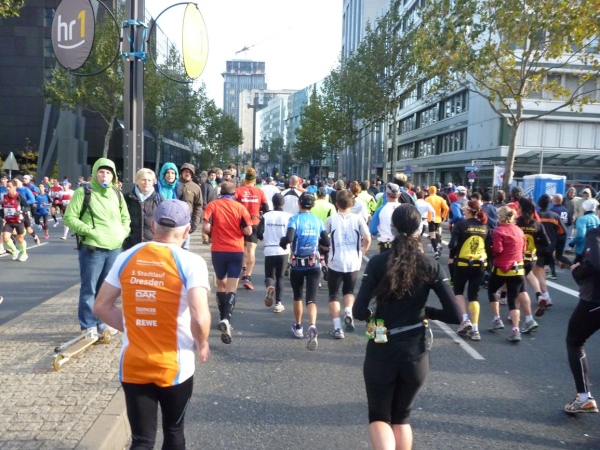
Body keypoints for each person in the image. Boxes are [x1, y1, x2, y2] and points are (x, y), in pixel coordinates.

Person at [92, 199, 211, 449]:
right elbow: (200, 316)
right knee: (174, 431)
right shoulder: (192, 263)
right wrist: (202, 344)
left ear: (153, 225)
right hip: (174, 364)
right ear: (186, 231)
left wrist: (134, 326)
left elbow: (101, 306)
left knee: (142, 440)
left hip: (134, 363)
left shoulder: (127, 256)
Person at [353, 204, 462, 450]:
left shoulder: (378, 263)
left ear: (392, 229)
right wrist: (426, 312)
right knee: (402, 418)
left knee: (380, 416)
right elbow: (456, 315)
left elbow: (359, 311)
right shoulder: (430, 265)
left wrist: (373, 315)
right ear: (420, 229)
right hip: (416, 351)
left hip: (382, 346)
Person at [63, 158, 131, 335]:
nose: (105, 176)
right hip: (93, 247)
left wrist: (122, 232)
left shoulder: (116, 193)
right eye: (101, 172)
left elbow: (126, 217)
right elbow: (69, 218)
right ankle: (88, 325)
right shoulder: (83, 192)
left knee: (106, 289)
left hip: (114, 247)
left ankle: (102, 322)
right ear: (95, 173)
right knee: (89, 288)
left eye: (108, 172)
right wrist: (90, 231)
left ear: (113, 176)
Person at [202, 181, 252, 344]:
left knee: (221, 284)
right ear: (234, 194)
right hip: (235, 250)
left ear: (220, 192)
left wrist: (215, 231)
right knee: (232, 286)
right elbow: (248, 230)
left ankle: (221, 315)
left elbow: (206, 228)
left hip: (218, 250)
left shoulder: (212, 205)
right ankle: (226, 318)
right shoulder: (240, 208)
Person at [279, 192, 330, 350]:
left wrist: (283, 242)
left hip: (297, 264)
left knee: (298, 296)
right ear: (313, 205)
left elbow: (289, 238)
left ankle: (299, 326)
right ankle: (312, 325)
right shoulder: (318, 221)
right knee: (311, 299)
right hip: (313, 263)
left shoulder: (294, 220)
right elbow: (326, 242)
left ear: (299, 203)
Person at [324, 190, 370, 339]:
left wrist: (326, 247)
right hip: (353, 261)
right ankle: (348, 311)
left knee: (333, 294)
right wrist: (363, 250)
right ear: (352, 203)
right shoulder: (358, 219)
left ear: (336, 204)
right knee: (349, 290)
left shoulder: (331, 219)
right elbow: (367, 238)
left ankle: (337, 328)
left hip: (336, 261)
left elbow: (322, 237)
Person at [487, 206, 538, 341]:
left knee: (492, 290)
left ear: (501, 217)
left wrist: (490, 249)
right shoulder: (519, 230)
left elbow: (498, 250)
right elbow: (524, 248)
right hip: (518, 268)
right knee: (513, 299)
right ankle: (516, 330)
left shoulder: (499, 230)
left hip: (502, 267)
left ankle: (497, 319)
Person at [564, 227, 600, 414]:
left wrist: (577, 270)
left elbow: (594, 263)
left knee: (574, 342)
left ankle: (584, 398)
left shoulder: (596, 233)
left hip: (595, 300)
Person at [448, 199, 492, 341]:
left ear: (467, 210)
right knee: (473, 296)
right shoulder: (484, 226)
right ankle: (475, 328)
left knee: (458, 291)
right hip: (480, 264)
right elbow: (489, 248)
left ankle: (465, 319)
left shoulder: (460, 225)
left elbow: (452, 244)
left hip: (463, 263)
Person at [235, 168, 269, 290]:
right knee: (251, 250)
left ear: (245, 180)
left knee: (242, 248)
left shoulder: (238, 191)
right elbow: (266, 209)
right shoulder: (260, 192)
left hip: (240, 223)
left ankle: (243, 269)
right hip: (254, 222)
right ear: (254, 181)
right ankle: (248, 277)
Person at [257, 193, 291, 313]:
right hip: (283, 250)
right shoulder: (288, 216)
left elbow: (259, 233)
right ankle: (278, 303)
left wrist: (264, 238)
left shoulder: (266, 216)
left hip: (269, 249)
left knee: (269, 276)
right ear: (283, 203)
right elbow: (291, 234)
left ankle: (270, 286)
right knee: (280, 276)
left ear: (273, 203)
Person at [123, 168, 163, 250]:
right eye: (143, 180)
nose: (146, 183)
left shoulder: (159, 198)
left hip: (152, 245)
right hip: (131, 245)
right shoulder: (127, 198)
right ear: (137, 181)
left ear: (153, 182)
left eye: (149, 180)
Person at [536, 194, 566, 281]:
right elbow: (562, 231)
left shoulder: (536, 215)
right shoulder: (555, 216)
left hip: (538, 246)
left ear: (539, 205)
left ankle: (541, 287)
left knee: (538, 269)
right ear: (549, 204)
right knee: (545, 264)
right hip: (551, 246)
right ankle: (550, 275)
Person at [177, 163, 203, 251]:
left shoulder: (196, 187)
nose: (187, 174)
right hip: (174, 220)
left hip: (186, 221)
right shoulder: (175, 184)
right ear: (181, 173)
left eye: (190, 172)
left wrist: (195, 223)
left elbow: (198, 206)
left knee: (184, 248)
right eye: (185, 171)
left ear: (192, 174)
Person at [1, 179, 29, 261]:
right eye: (7, 187)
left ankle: (24, 253)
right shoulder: (5, 196)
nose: (8, 188)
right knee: (5, 238)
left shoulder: (19, 197)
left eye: (9, 187)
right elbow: (3, 208)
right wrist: (3, 216)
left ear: (15, 187)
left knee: (20, 239)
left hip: (18, 221)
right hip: (9, 221)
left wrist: (20, 212)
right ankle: (15, 250)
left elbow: (28, 207)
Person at [370, 183, 402, 253]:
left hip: (386, 244)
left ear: (386, 194)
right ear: (399, 195)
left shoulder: (380, 209)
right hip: (402, 245)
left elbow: (373, 230)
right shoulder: (406, 209)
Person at [569, 199, 600, 265]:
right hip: (595, 248)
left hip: (582, 249)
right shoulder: (597, 219)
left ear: (584, 208)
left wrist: (572, 243)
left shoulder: (582, 219)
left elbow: (580, 235)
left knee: (576, 268)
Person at [424, 184, 450, 259]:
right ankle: (437, 245)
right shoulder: (440, 198)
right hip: (438, 218)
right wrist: (443, 216)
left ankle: (436, 251)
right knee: (435, 233)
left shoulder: (427, 199)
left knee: (432, 235)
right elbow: (446, 208)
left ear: (429, 191)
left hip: (430, 219)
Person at [200, 170, 218, 245]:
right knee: (206, 222)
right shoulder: (205, 185)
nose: (213, 177)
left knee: (213, 223)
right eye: (211, 175)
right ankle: (205, 238)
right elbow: (203, 196)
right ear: (208, 176)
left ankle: (211, 238)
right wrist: (204, 205)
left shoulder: (216, 185)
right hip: (207, 206)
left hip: (215, 206)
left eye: (214, 175)